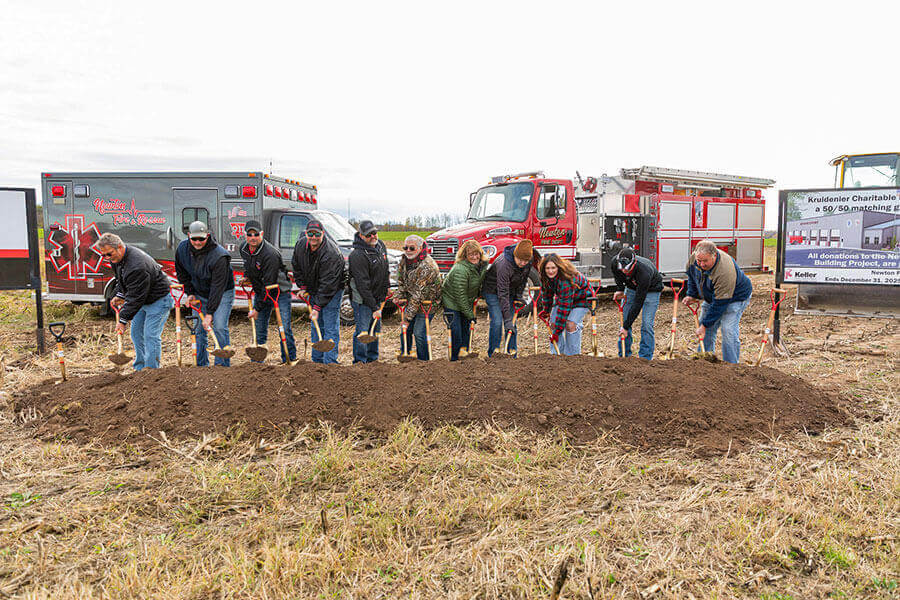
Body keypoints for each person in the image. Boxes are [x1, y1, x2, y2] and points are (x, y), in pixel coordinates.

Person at [97, 232, 173, 371]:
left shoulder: (137, 265)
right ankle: (140, 369)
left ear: (119, 247)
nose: (106, 258)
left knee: (150, 335)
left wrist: (123, 319)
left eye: (109, 254)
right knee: (136, 333)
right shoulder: (116, 260)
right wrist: (120, 294)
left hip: (158, 300)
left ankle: (151, 371)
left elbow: (136, 297)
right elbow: (122, 280)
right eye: (103, 255)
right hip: (143, 299)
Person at [174, 221, 235, 367]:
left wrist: (210, 313)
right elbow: (182, 272)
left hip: (222, 292)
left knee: (219, 326)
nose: (197, 242)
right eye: (194, 239)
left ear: (207, 236)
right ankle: (201, 366)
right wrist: (190, 293)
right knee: (199, 329)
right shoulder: (182, 249)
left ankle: (221, 366)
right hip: (199, 291)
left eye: (201, 239)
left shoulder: (219, 256)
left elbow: (217, 287)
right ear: (188, 236)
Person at [682, 240, 753, 364]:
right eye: (699, 260)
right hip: (714, 296)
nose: (701, 264)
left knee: (728, 330)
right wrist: (692, 295)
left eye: (705, 261)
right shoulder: (695, 259)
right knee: (706, 329)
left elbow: (720, 303)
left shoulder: (724, 270)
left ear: (714, 256)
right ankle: (704, 361)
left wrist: (704, 325)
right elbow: (693, 277)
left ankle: (731, 366)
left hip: (735, 297)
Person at [239, 219, 296, 363]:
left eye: (256, 234)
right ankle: (257, 362)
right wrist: (247, 276)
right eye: (250, 234)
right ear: (245, 235)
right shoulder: (244, 249)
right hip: (262, 290)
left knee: (284, 326)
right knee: (259, 328)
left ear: (262, 234)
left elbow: (269, 284)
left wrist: (257, 308)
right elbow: (250, 265)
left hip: (279, 290)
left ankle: (289, 359)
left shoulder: (270, 254)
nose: (253, 237)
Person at [291, 219, 344, 364]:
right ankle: (317, 362)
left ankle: (330, 363)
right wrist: (302, 287)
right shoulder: (301, 245)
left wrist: (317, 307)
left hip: (333, 290)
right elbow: (296, 266)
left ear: (323, 234)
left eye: (317, 234)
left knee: (329, 325)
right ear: (306, 234)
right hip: (315, 287)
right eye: (310, 233)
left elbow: (328, 285)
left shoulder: (331, 253)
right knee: (316, 324)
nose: (313, 237)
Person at [480, 239, 536, 356]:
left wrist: (518, 296)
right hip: (493, 291)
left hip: (509, 291)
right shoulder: (504, 264)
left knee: (512, 323)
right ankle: (493, 354)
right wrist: (507, 319)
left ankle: (511, 353)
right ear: (515, 255)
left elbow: (523, 279)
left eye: (526, 261)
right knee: (498, 321)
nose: (523, 263)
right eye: (520, 260)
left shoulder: (528, 260)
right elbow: (502, 292)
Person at [348, 220, 389, 363]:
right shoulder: (357, 255)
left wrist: (386, 289)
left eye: (374, 233)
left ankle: (373, 360)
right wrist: (374, 307)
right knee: (363, 332)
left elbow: (385, 269)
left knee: (375, 330)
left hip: (377, 297)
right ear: (361, 235)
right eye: (368, 235)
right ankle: (360, 362)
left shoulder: (381, 246)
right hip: (362, 300)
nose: (373, 236)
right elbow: (362, 285)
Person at [395, 235, 442, 360]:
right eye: (406, 247)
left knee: (419, 333)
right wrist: (398, 295)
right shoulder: (404, 260)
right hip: (412, 301)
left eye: (412, 248)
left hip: (428, 303)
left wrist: (407, 317)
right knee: (405, 331)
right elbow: (401, 282)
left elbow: (418, 294)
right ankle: (406, 356)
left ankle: (423, 362)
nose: (408, 250)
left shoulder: (427, 266)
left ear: (420, 248)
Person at [611, 247, 663, 360]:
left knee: (646, 324)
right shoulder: (614, 262)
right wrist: (620, 289)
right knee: (624, 320)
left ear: (633, 263)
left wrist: (626, 326)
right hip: (631, 289)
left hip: (651, 290)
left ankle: (645, 358)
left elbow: (638, 303)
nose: (624, 271)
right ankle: (624, 356)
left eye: (627, 269)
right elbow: (618, 277)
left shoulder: (644, 272)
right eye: (622, 268)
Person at [441, 239, 488, 360]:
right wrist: (470, 314)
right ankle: (454, 360)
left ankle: (465, 358)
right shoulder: (460, 270)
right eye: (470, 254)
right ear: (465, 256)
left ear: (480, 253)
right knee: (457, 332)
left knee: (466, 331)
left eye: (476, 253)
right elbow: (460, 295)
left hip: (466, 301)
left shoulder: (481, 267)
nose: (474, 257)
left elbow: (479, 283)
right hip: (452, 302)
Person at [537, 253, 592, 355]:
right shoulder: (545, 277)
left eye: (553, 268)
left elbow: (564, 308)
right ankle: (557, 355)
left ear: (558, 267)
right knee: (553, 323)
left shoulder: (565, 280)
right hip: (564, 297)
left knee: (570, 324)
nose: (550, 271)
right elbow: (547, 294)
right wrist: (546, 310)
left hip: (581, 298)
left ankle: (572, 356)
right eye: (547, 268)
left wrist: (557, 333)